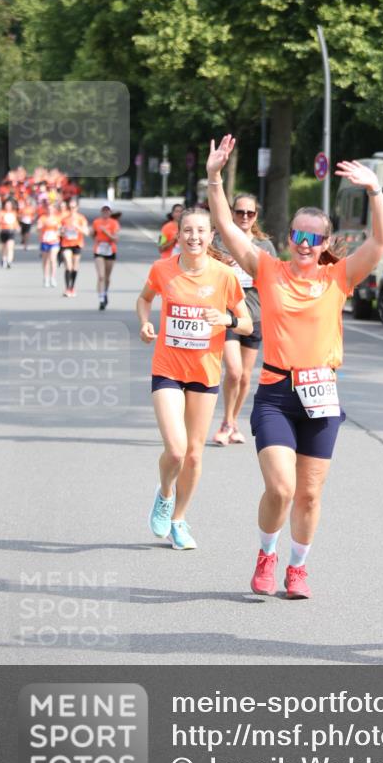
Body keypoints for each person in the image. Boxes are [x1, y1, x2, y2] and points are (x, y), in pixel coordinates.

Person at [206, 134, 383, 599]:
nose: (305, 245)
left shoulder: (338, 276)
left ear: (326, 242)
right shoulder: (268, 269)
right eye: (298, 236)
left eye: (314, 238)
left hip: (322, 395)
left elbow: (380, 241)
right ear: (288, 237)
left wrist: (375, 191)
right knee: (282, 489)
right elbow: (228, 228)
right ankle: (266, 554)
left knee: (309, 495)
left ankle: (297, 568)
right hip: (275, 395)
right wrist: (213, 177)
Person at [136, 206, 253, 550]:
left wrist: (226, 320)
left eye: (201, 231)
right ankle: (165, 493)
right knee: (176, 450)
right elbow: (144, 300)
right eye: (188, 230)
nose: (194, 237)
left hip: (205, 373)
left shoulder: (224, 276)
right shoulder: (162, 269)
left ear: (211, 235)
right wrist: (145, 322)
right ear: (179, 233)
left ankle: (179, 520)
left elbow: (246, 323)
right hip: (168, 368)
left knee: (195, 455)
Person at [212, 193, 277, 445]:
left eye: (250, 213)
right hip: (227, 314)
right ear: (232, 213)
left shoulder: (264, 246)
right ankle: (227, 421)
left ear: (256, 216)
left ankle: (233, 421)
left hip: (256, 313)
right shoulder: (219, 242)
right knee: (234, 371)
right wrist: (223, 267)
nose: (245, 217)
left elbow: (273, 279)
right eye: (240, 213)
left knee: (246, 375)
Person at [92, 204, 120, 310]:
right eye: (103, 210)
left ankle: (105, 292)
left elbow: (116, 239)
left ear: (110, 212)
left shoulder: (114, 223)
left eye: (107, 211)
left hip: (110, 251)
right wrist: (91, 234)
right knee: (101, 276)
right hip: (98, 250)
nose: (105, 212)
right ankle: (101, 298)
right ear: (101, 212)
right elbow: (93, 235)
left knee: (107, 277)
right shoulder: (96, 222)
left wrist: (106, 232)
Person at [59, 198, 90, 297]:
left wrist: (78, 227)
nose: (72, 209)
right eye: (70, 207)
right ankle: (67, 288)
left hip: (77, 244)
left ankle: (72, 287)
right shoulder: (65, 218)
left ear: (77, 207)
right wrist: (62, 231)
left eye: (74, 207)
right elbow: (59, 232)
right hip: (66, 244)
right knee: (68, 266)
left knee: (75, 267)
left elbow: (87, 232)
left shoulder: (81, 218)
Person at [37, 202, 61, 286]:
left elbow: (60, 229)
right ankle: (46, 277)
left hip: (54, 241)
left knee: (53, 259)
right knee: (45, 261)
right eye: (48, 209)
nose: (50, 210)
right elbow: (38, 229)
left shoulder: (58, 218)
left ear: (54, 210)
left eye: (52, 209)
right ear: (46, 210)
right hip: (45, 241)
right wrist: (41, 226)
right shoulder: (42, 218)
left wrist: (58, 230)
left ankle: (53, 278)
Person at [0, 199, 19, 268]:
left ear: (11, 206)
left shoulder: (14, 213)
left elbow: (15, 222)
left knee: (10, 247)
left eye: (9, 205)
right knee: (4, 247)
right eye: (6, 205)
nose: (7, 206)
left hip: (11, 231)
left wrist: (17, 227)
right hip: (3, 231)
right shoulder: (2, 213)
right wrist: (1, 222)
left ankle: (9, 261)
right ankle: (3, 259)